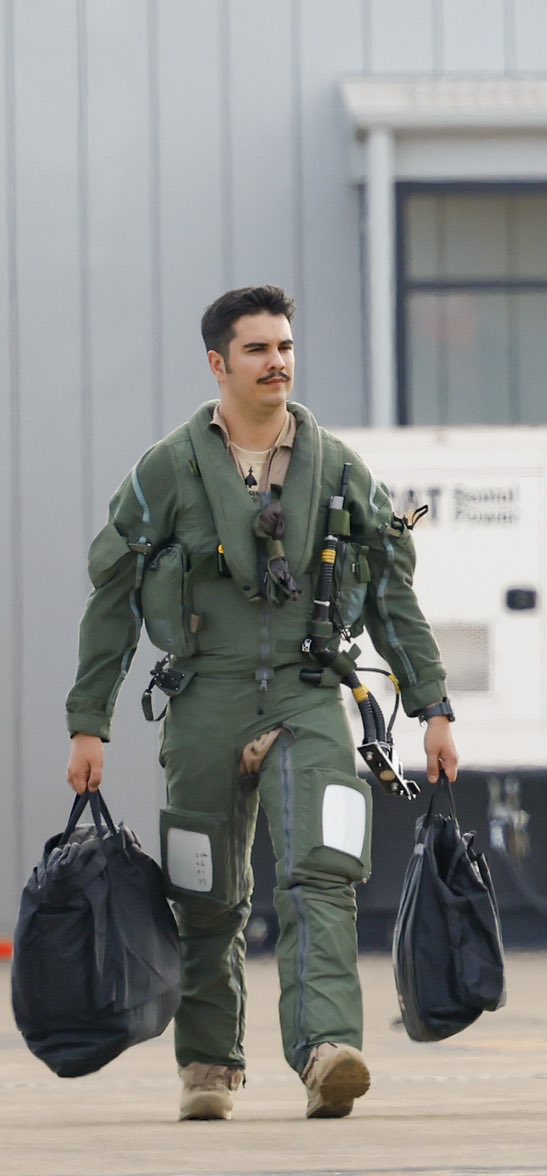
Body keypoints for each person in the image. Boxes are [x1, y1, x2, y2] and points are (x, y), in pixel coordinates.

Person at [66, 285, 457, 1121]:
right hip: (204, 696)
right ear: (219, 363)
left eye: (284, 346)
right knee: (203, 889)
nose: (277, 361)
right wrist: (88, 722)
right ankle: (208, 1064)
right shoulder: (167, 470)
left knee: (323, 873)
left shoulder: (341, 467)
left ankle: (326, 1051)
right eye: (257, 349)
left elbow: (392, 597)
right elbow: (112, 598)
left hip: (309, 691)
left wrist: (434, 707)